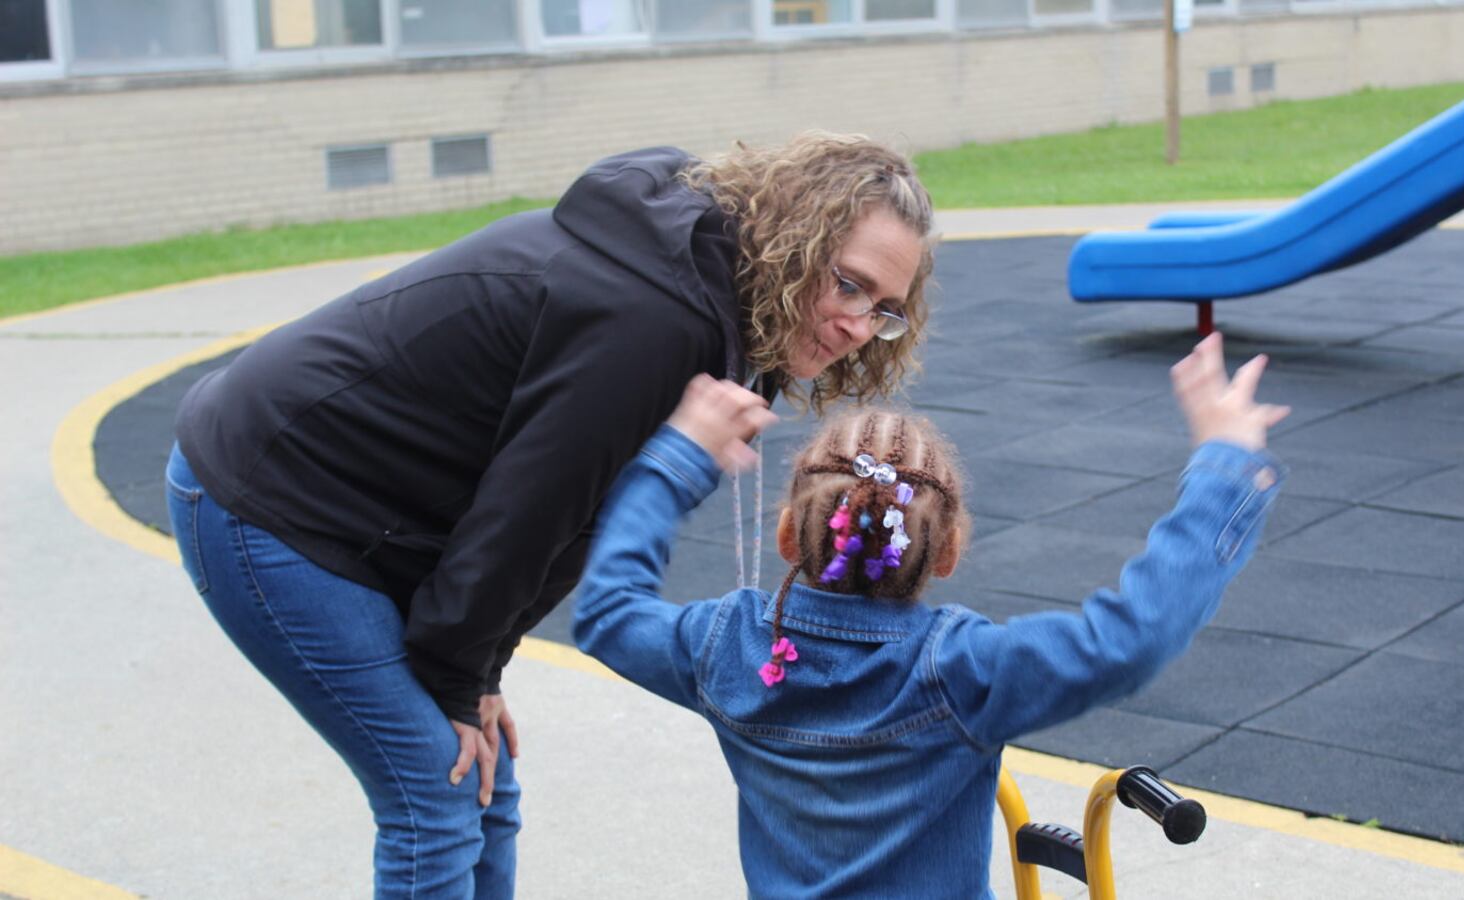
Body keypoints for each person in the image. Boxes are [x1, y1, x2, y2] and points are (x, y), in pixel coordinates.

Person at [163, 131, 934, 898]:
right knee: (434, 798)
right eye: (848, 285)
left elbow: (568, 523)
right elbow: (528, 516)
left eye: (886, 311)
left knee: (486, 782)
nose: (859, 326)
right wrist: (455, 675)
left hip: (377, 514)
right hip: (274, 497)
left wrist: (476, 668)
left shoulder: (733, 311)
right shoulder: (657, 323)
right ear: (793, 244)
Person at [572, 332, 1290, 898]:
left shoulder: (724, 648)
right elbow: (1131, 641)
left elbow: (606, 612)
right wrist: (1224, 467)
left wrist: (679, 457)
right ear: (945, 553)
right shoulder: (960, 672)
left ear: (789, 534)